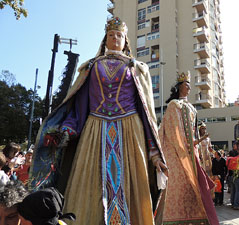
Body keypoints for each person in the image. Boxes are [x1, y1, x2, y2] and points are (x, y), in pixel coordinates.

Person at [29, 17, 167, 225]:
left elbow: (146, 113)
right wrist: (65, 130)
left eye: (119, 35)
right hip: (95, 128)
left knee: (132, 186)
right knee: (90, 185)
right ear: (105, 39)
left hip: (131, 128)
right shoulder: (91, 67)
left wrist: (155, 155)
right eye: (111, 35)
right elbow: (79, 107)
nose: (115, 38)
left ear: (125, 40)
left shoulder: (136, 67)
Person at [158, 71, 219, 225]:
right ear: (179, 87)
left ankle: (196, 218)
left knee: (195, 187)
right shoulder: (174, 105)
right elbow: (173, 131)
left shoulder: (191, 108)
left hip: (192, 153)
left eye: (190, 85)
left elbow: (193, 130)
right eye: (186, 84)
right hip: (178, 154)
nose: (189, 87)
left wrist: (194, 146)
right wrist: (184, 148)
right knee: (181, 186)